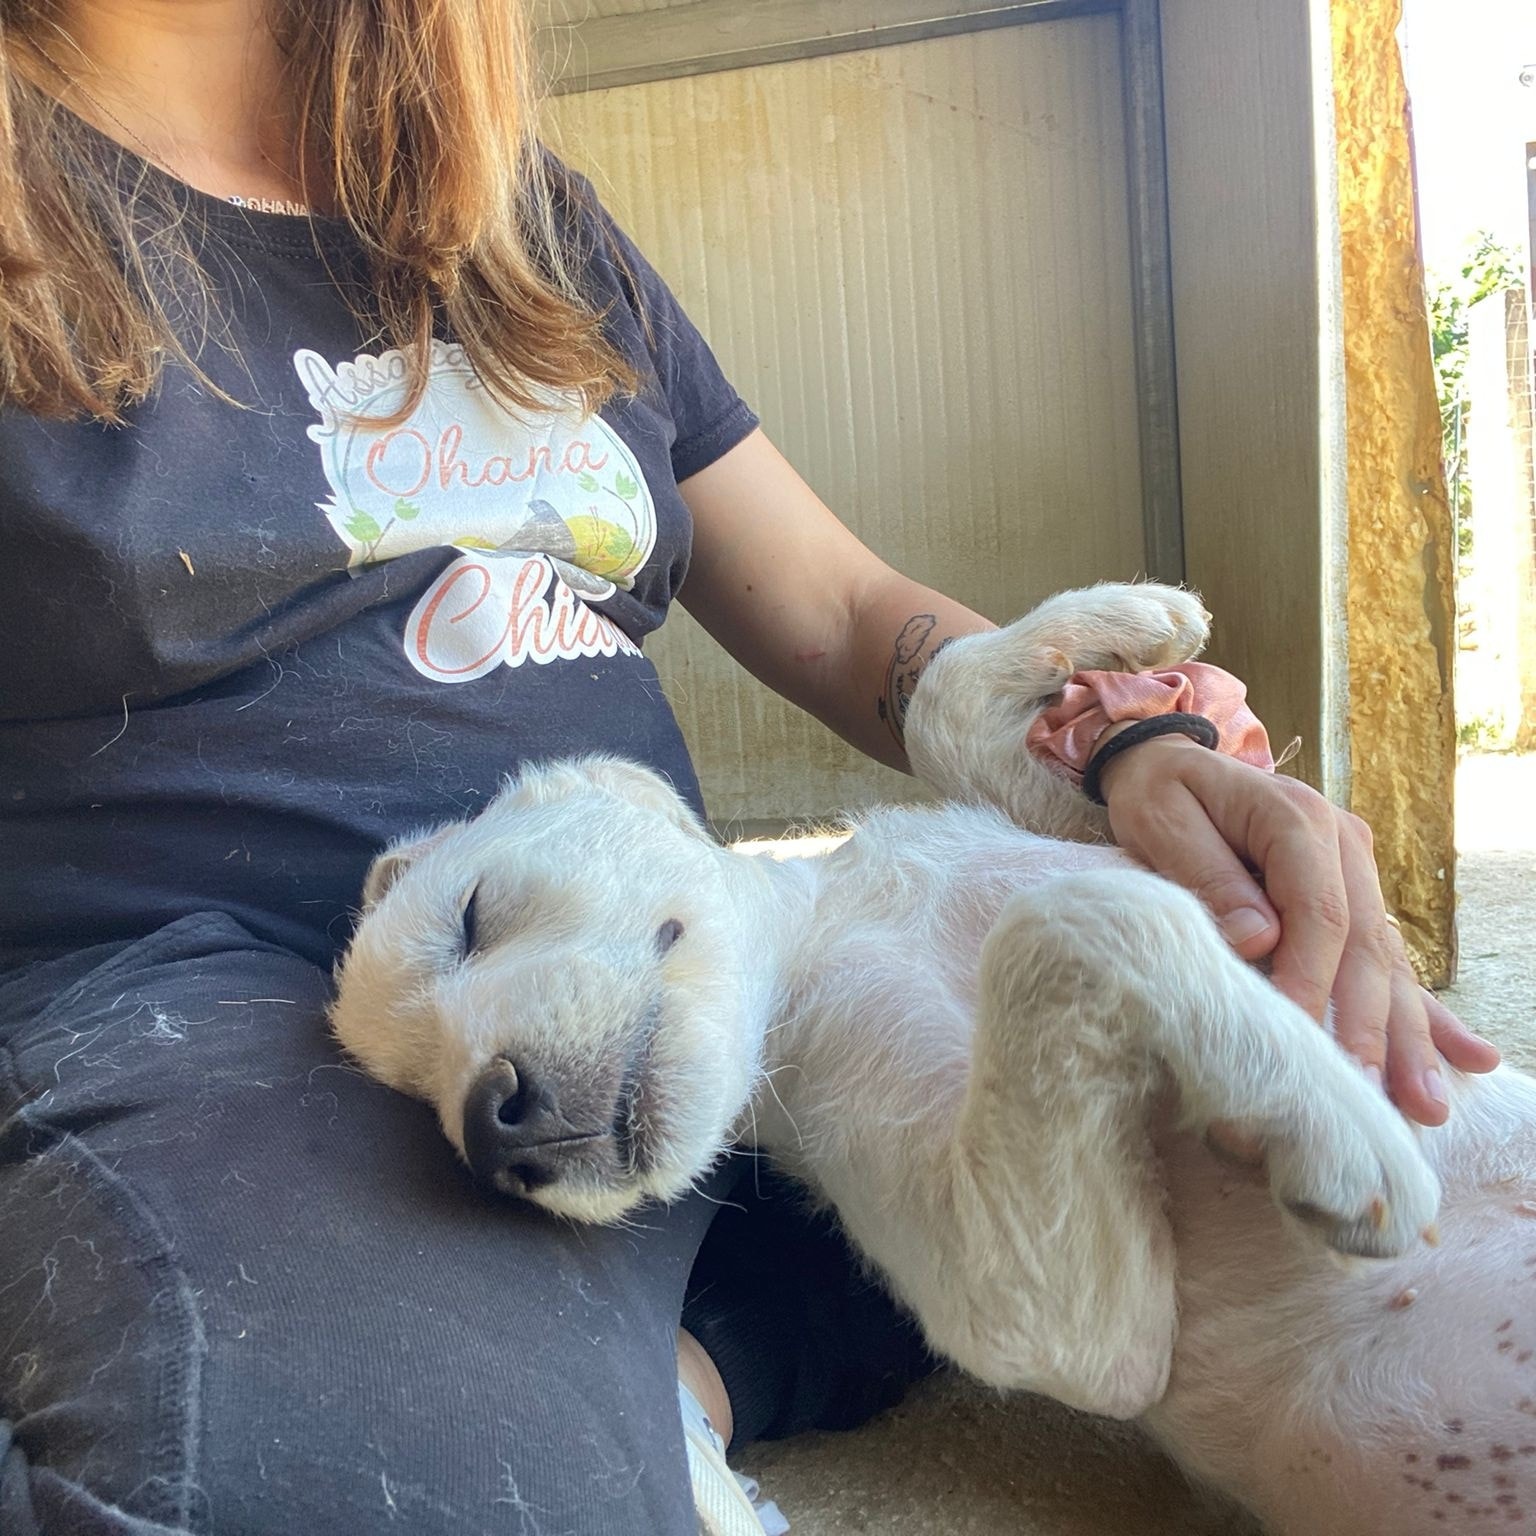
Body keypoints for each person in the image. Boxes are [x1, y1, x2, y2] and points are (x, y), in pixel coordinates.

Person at [0, 3, 1500, 1533]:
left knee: (956, 1161)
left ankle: (683, 1364)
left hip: (674, 968)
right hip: (232, 989)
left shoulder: (497, 199)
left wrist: (1121, 741)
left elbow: (851, 617)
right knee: (386, 1488)